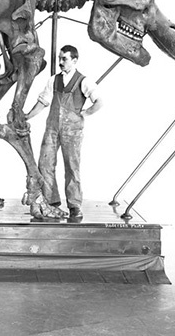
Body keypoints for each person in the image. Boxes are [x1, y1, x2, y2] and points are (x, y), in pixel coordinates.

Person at [25, 45, 103, 219]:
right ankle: (50, 202)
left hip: (72, 131)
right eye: (59, 58)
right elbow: (43, 102)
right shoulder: (53, 80)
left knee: (72, 167)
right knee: (45, 163)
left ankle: (74, 205)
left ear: (74, 60)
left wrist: (84, 114)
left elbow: (99, 102)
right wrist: (27, 116)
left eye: (64, 59)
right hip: (52, 128)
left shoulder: (84, 81)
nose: (60, 62)